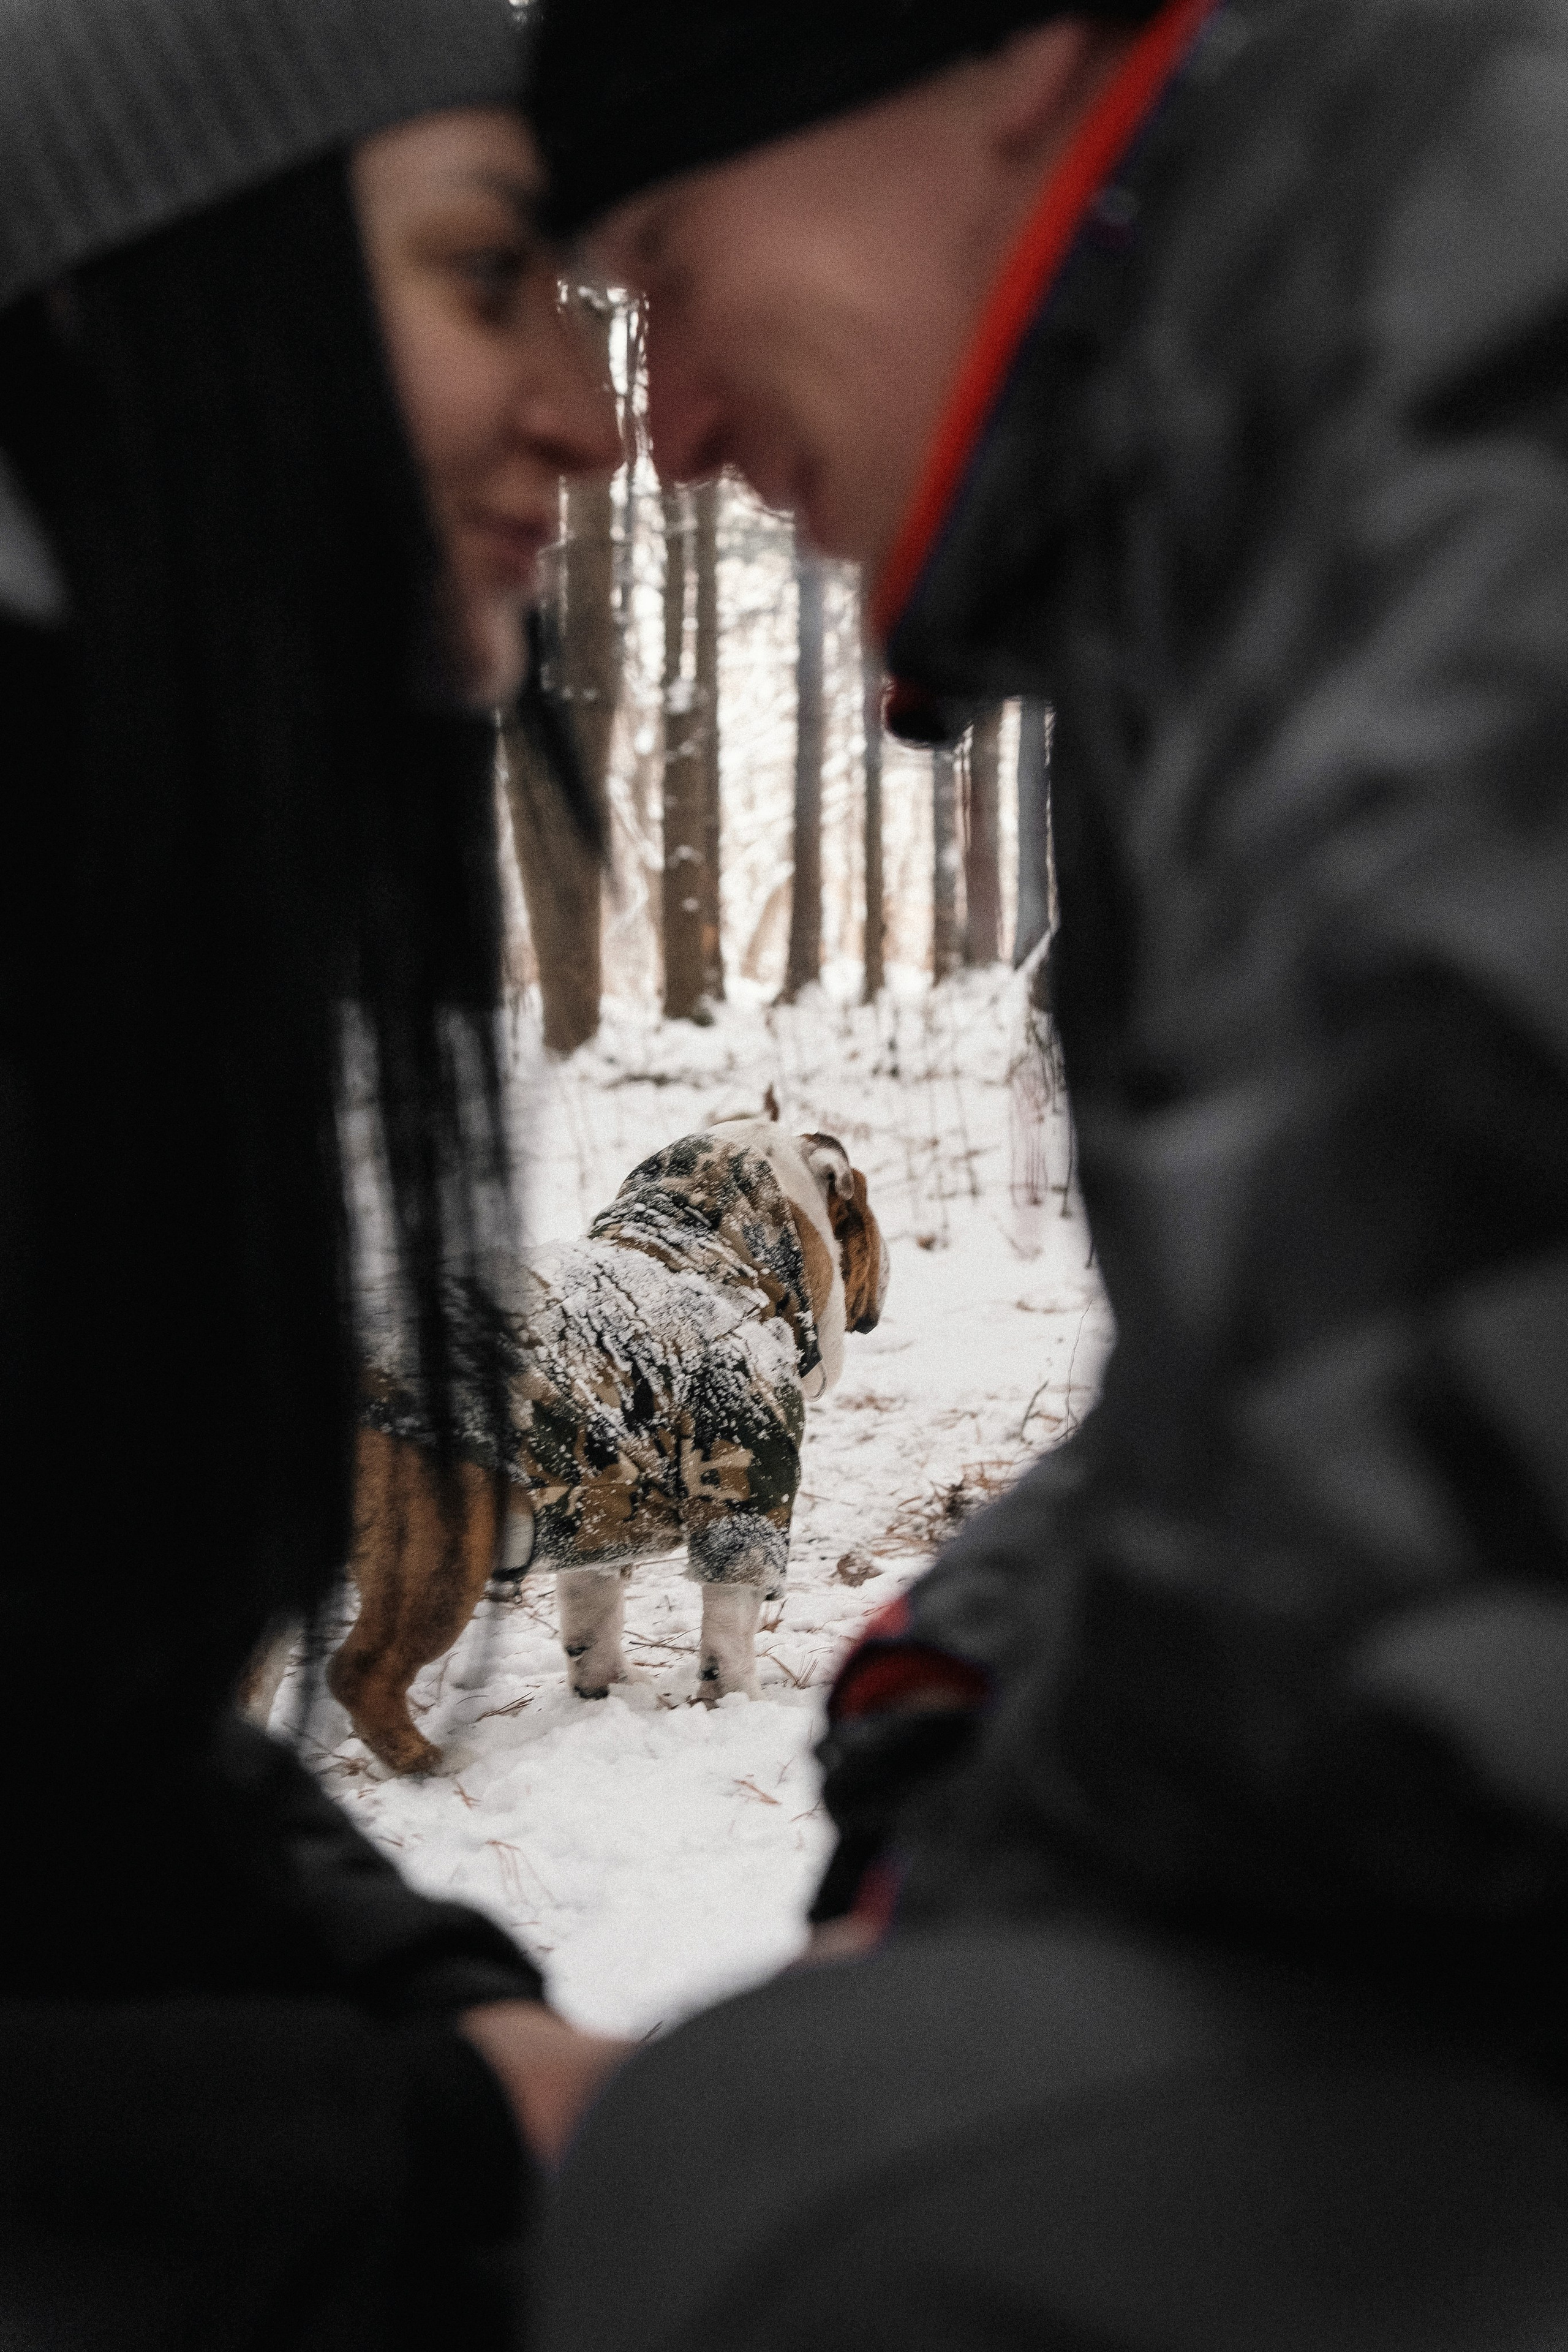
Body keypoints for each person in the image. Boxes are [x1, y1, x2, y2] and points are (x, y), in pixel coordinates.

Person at [519, 0, 1568, 2343]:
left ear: (1003, 61)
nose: (660, 431)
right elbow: (1294, 1338)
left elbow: (1446, 1454)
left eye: (671, 269)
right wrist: (957, 1689)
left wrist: (991, 1844)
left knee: (801, 2191)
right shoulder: (1231, 428)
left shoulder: (1480, 302)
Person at [0, 2, 628, 2342]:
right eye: (487, 279)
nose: (574, 404)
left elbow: (71, 1771)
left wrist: (441, 2008)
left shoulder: (116, 923)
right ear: (108, 294)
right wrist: (420, 2139)